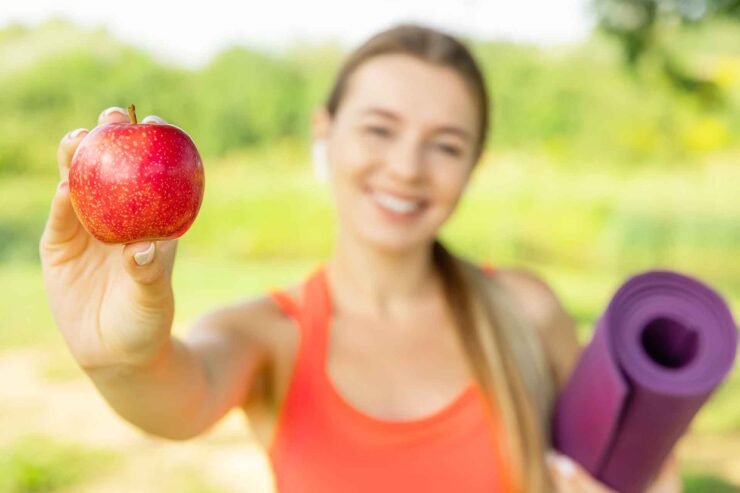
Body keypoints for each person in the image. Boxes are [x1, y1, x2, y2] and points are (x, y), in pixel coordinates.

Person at [40, 24, 682, 493]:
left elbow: (624, 466)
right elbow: (171, 397)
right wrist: (117, 358)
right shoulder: (269, 336)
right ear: (325, 132)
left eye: (447, 145)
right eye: (379, 129)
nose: (406, 168)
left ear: (473, 165)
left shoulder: (526, 310)